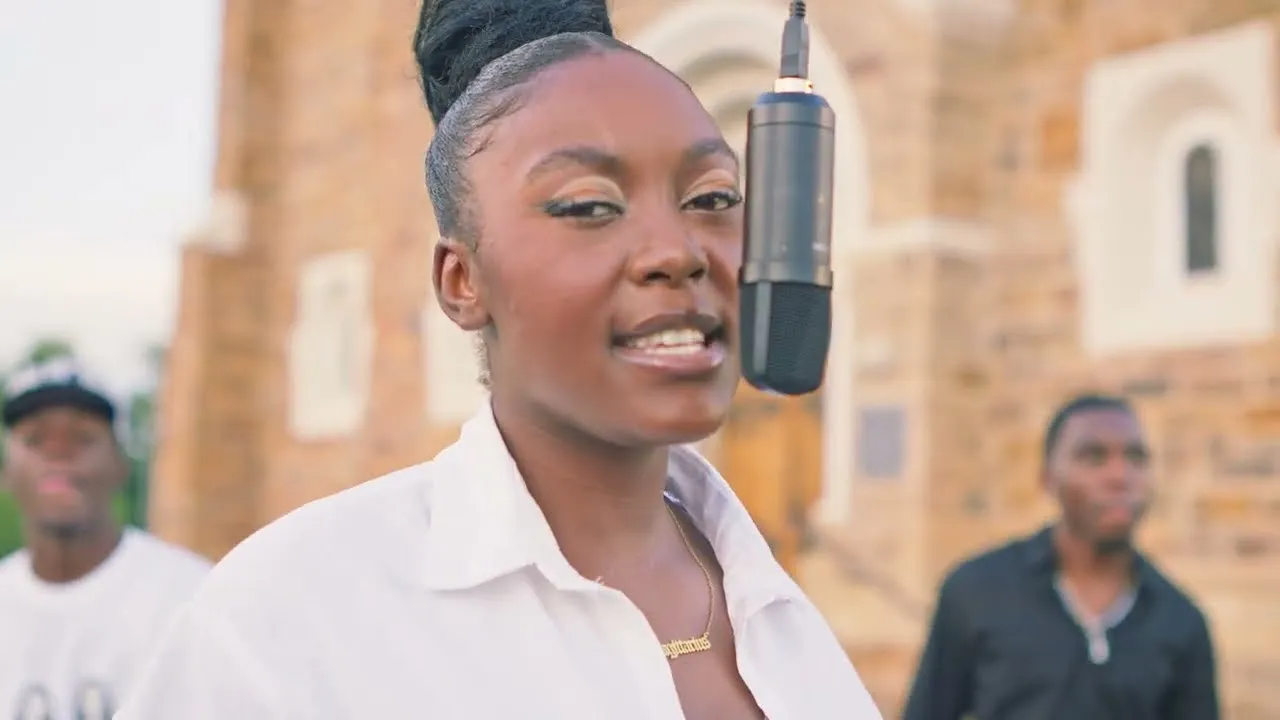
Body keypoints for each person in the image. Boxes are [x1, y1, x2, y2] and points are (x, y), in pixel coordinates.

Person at [116, 0, 882, 717]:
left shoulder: (779, 616)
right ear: (462, 282)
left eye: (712, 199)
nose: (677, 252)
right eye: (589, 206)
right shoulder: (290, 617)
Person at [903, 393, 1219, 720]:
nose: (1119, 476)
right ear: (1048, 478)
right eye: (1094, 457)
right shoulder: (977, 591)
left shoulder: (1180, 620)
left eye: (1135, 458)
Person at [0, 356, 211, 719]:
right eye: (36, 439)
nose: (59, 454)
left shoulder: (191, 597)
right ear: (7, 472)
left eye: (82, 438)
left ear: (120, 464)